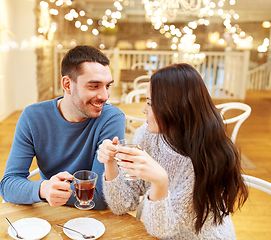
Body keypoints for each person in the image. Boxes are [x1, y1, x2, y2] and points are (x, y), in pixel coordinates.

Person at [98, 63, 248, 238]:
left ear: (174, 108)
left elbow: (161, 230)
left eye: (150, 103)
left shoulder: (204, 160)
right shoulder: (148, 136)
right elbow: (120, 204)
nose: (144, 110)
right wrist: (110, 165)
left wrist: (160, 181)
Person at [0, 45, 125, 210]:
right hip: (50, 211)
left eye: (107, 86)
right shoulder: (33, 117)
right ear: (67, 84)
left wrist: (44, 191)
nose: (104, 96)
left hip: (92, 219)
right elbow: (8, 185)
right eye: (94, 86)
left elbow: (99, 197)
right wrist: (43, 189)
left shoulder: (112, 118)